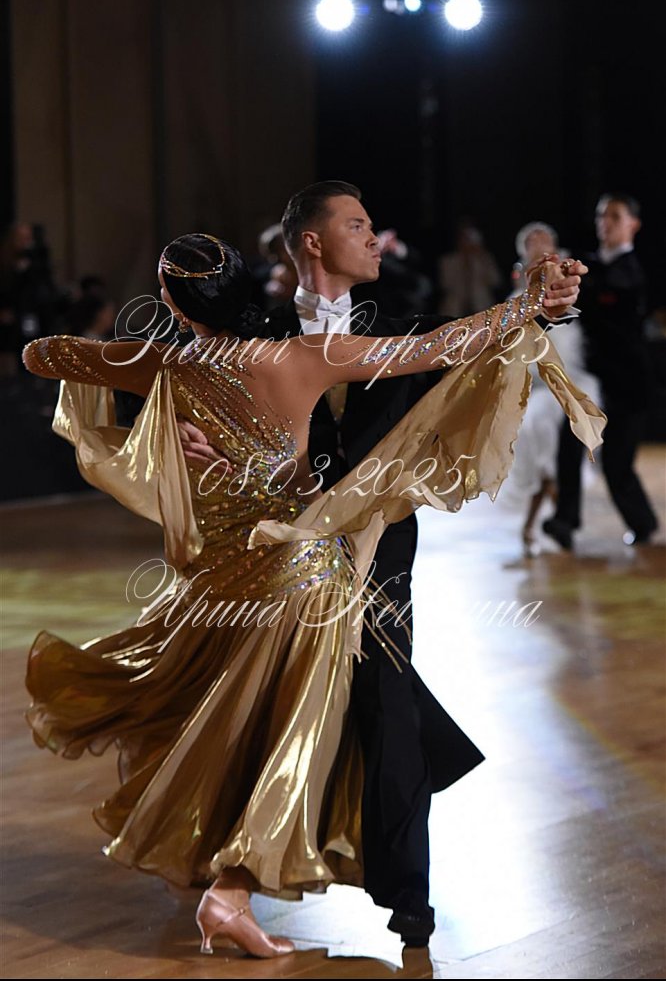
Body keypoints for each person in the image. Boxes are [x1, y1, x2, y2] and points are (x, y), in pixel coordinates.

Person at [21, 232, 603, 960]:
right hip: (304, 580)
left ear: (171, 301)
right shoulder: (304, 358)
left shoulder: (164, 363)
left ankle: (218, 878)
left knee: (230, 722)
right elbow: (440, 346)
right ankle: (228, 892)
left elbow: (41, 354)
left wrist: (157, 395)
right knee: (288, 738)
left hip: (220, 582)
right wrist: (526, 305)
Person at [176, 183, 589, 947]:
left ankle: (408, 895)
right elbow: (232, 435)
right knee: (285, 707)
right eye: (357, 225)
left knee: (388, 701)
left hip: (381, 547)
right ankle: (224, 872)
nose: (374, 237)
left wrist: (545, 305)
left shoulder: (396, 326)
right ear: (311, 241)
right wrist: (209, 450)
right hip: (291, 552)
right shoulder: (259, 335)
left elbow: (472, 341)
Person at [543, 193, 660, 549]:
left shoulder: (630, 272)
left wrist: (578, 284)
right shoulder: (591, 266)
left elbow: (604, 301)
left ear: (633, 224)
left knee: (616, 464)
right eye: (600, 215)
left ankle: (643, 524)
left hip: (627, 384)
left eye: (614, 216)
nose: (604, 223)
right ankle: (565, 520)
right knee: (569, 443)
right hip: (591, 380)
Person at [500, 221, 601, 556]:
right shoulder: (517, 301)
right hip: (536, 392)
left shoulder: (573, 284)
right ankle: (556, 522)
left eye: (545, 240)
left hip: (572, 385)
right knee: (542, 444)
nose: (540, 244)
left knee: (559, 446)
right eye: (533, 241)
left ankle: (556, 522)